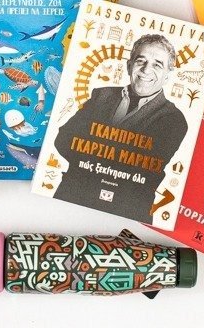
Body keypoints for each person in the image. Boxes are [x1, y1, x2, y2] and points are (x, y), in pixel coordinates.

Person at [53, 34, 188, 222]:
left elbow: (144, 169)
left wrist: (90, 149)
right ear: (129, 65)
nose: (146, 70)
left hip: (127, 211)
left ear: (168, 75)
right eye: (140, 61)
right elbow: (63, 139)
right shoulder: (101, 95)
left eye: (157, 65)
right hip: (72, 198)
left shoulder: (174, 119)